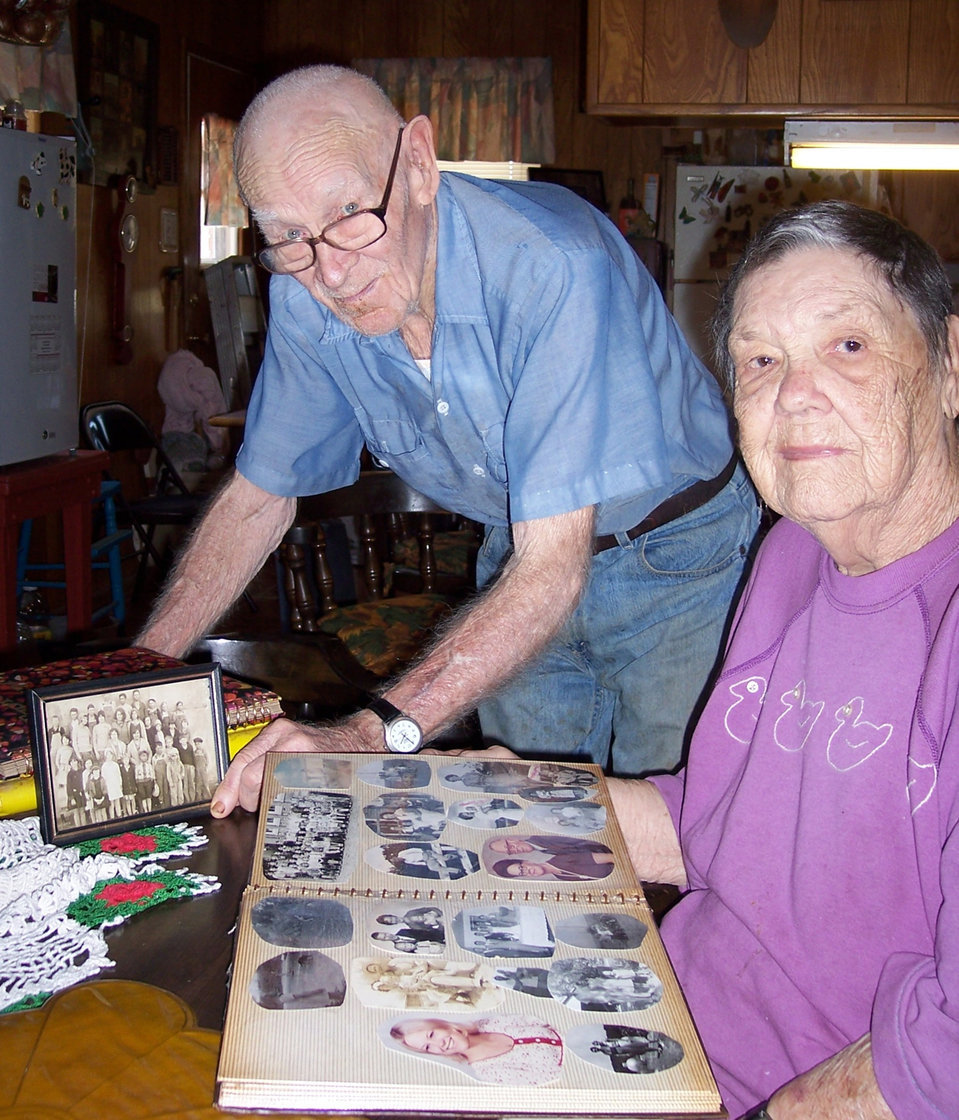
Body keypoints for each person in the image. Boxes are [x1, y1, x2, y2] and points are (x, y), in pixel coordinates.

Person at [454, 201, 959, 1120]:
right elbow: (718, 823)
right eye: (757, 363)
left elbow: (940, 1082)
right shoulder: (788, 555)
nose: (795, 396)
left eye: (846, 345)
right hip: (663, 1041)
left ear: (948, 365)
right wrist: (511, 802)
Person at [137, 62, 759, 811]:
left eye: (350, 215)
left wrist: (366, 735)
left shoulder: (552, 266)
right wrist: (139, 671)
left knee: (675, 829)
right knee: (531, 829)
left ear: (420, 165)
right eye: (289, 237)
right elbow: (258, 499)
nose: (331, 272)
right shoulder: (306, 289)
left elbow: (553, 572)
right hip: (520, 556)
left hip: (678, 557)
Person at [389, 1015, 563, 1086]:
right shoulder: (485, 1072)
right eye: (428, 1047)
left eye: (432, 1034)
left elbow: (548, 1018)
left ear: (443, 1025)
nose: (439, 1044)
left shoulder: (489, 1023)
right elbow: (554, 1079)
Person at [485, 834, 616, 881]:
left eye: (522, 867)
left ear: (526, 861)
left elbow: (613, 857)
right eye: (522, 873)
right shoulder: (561, 877)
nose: (527, 871)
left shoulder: (562, 859)